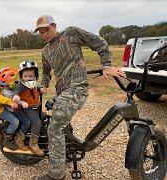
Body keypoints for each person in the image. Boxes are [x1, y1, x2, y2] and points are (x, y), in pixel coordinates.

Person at [33, 15, 127, 180]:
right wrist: (44, 84)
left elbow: (100, 43)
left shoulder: (70, 34)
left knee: (54, 128)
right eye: (41, 32)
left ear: (54, 26)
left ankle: (56, 175)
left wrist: (106, 64)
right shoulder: (45, 51)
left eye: (47, 29)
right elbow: (46, 72)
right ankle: (68, 152)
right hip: (62, 91)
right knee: (60, 122)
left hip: (77, 88)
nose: (45, 34)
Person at [12, 60, 45, 157]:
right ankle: (32, 143)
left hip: (35, 107)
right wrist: (16, 98)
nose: (28, 78)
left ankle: (40, 134)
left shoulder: (33, 84)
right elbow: (16, 92)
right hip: (27, 108)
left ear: (35, 76)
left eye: (31, 76)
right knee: (37, 122)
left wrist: (40, 89)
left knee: (44, 116)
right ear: (21, 76)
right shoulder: (21, 85)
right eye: (25, 76)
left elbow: (34, 90)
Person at [0, 66, 31, 151]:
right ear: (6, 82)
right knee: (27, 122)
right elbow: (17, 100)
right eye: (13, 80)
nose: (16, 81)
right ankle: (17, 139)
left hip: (17, 108)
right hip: (15, 110)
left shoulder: (9, 88)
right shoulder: (6, 93)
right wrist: (23, 103)